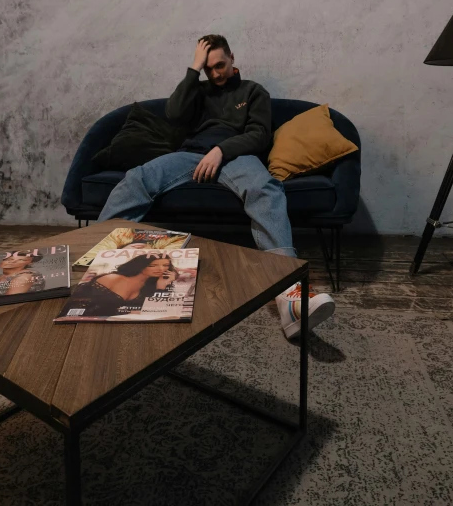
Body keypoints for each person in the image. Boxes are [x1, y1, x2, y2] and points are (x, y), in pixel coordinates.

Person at [99, 35, 335, 339]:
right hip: (190, 157)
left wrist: (222, 150)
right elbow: (173, 114)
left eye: (219, 65)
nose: (215, 74)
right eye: (208, 68)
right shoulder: (199, 90)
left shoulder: (253, 91)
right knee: (136, 177)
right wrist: (192, 69)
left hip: (237, 157)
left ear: (232, 58)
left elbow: (260, 135)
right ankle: (99, 264)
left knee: (266, 188)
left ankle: (290, 296)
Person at [66, 252, 178, 317]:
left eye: (165, 265)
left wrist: (161, 287)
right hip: (81, 321)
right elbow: (79, 304)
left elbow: (156, 311)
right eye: (153, 266)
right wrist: (129, 311)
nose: (161, 269)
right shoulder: (112, 279)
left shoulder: (151, 285)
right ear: (140, 266)